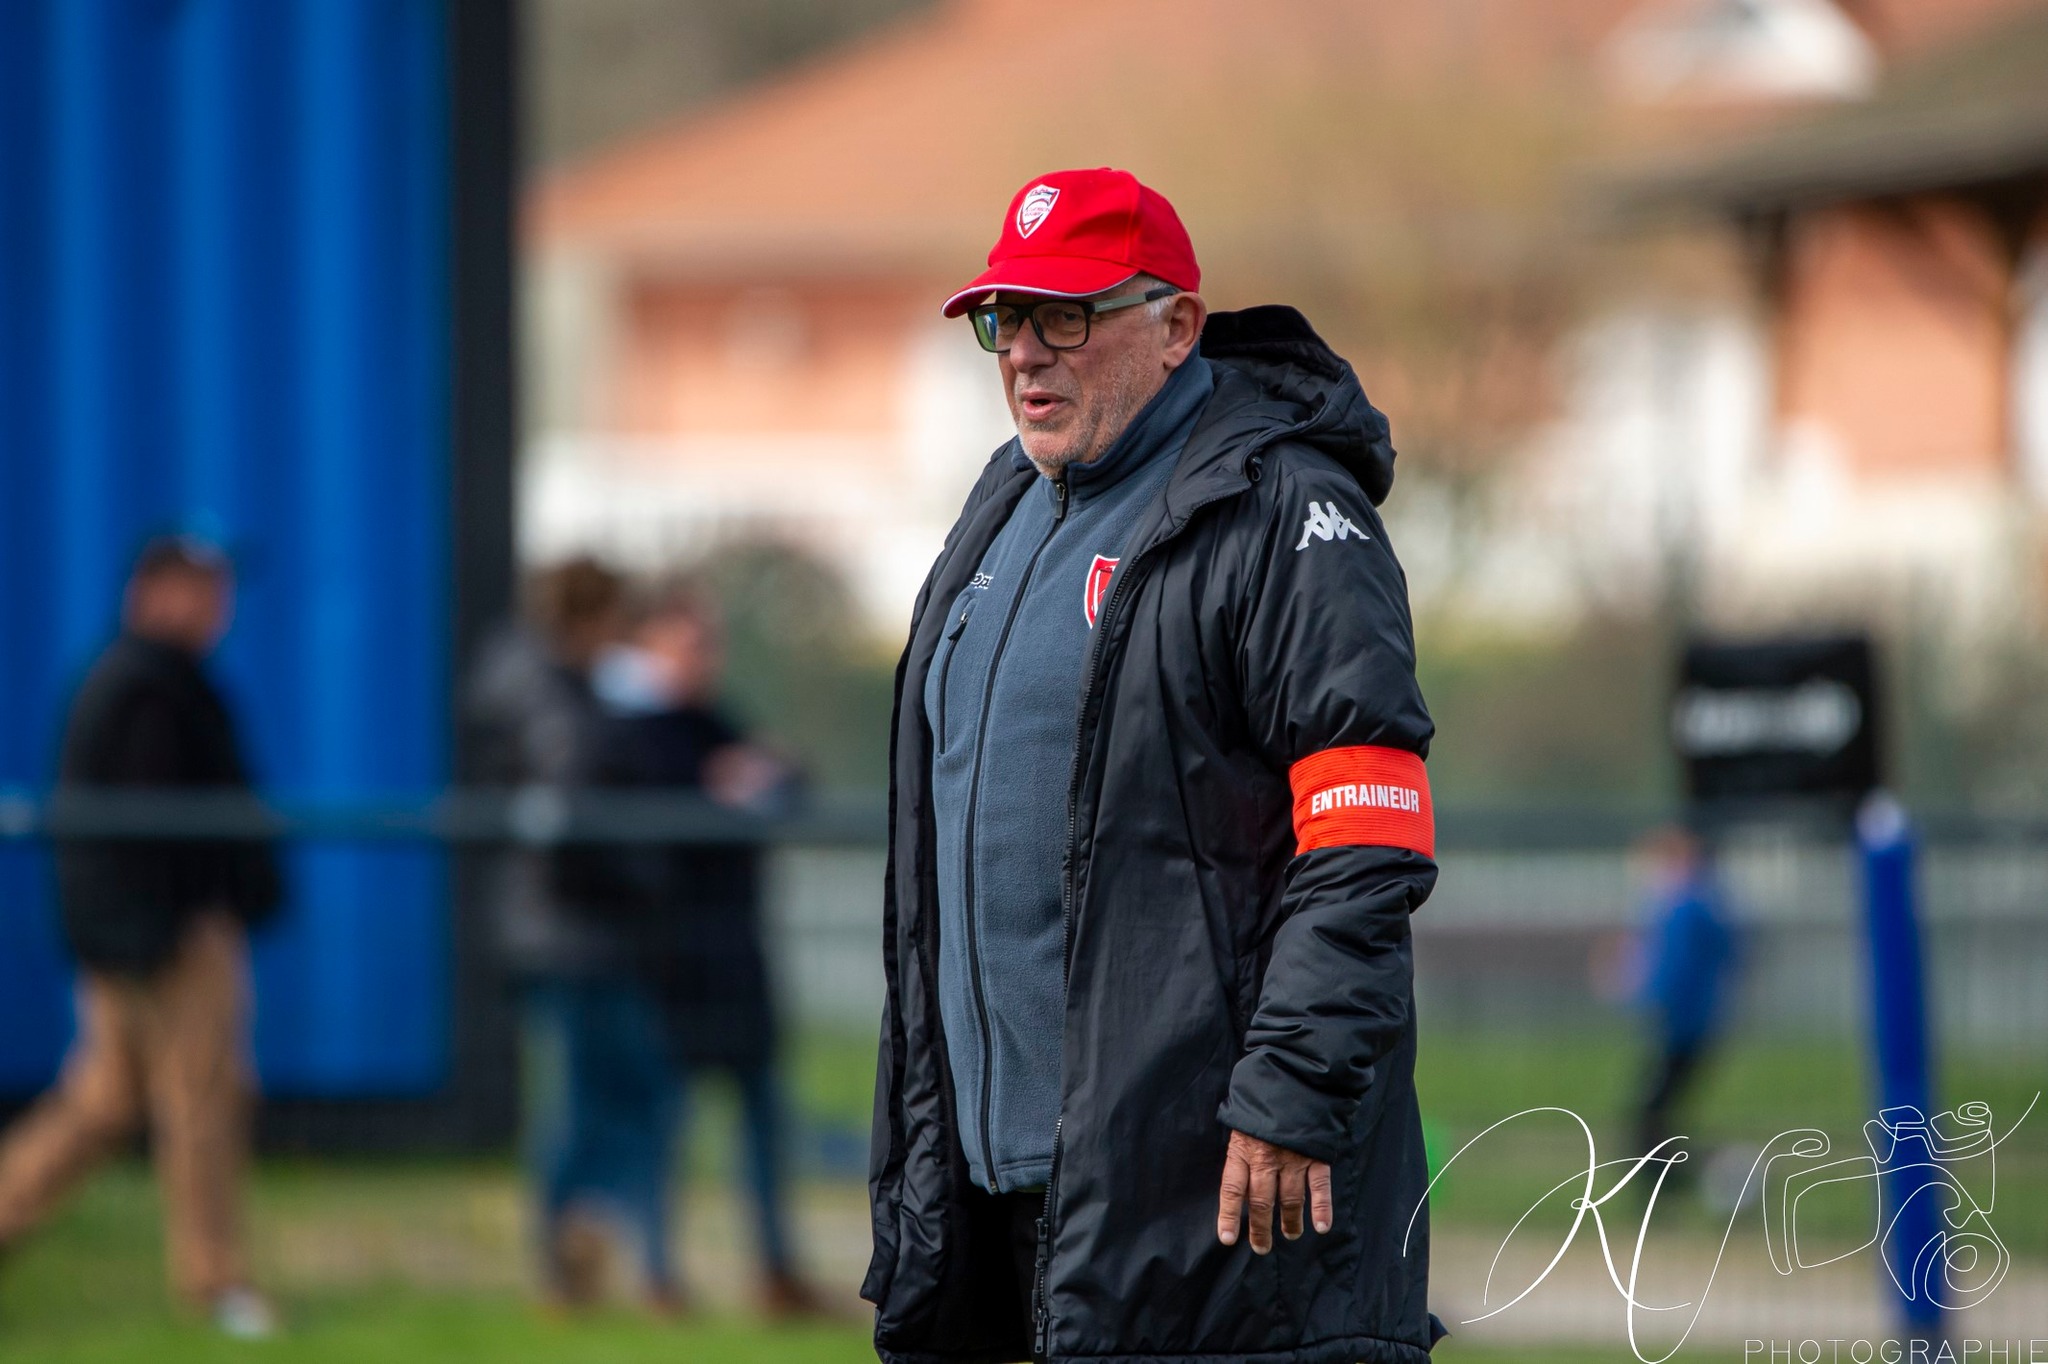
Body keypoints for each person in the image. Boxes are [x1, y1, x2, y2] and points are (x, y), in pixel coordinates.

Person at [863, 168, 1443, 1364]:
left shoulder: (1284, 512)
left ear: (1176, 324)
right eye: (1002, 320)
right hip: (995, 1200)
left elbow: (1364, 840)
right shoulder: (1003, 504)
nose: (1025, 352)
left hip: (1212, 1196)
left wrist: (1291, 1092)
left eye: (1064, 315)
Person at [0, 535, 282, 1339]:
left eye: (221, 589)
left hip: (137, 939)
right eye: (198, 588)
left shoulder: (171, 680)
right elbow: (137, 836)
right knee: (201, 1105)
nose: (215, 607)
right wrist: (162, 930)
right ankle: (216, 1282)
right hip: (162, 944)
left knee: (101, 1104)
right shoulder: (139, 687)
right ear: (151, 592)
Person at [592, 578, 827, 1317]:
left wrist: (745, 780)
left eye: (710, 642)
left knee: (762, 1113)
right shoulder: (627, 727)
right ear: (651, 643)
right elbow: (646, 821)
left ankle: (776, 1273)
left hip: (734, 954)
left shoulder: (710, 719)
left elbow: (787, 777)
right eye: (690, 641)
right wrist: (715, 791)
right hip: (666, 959)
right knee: (662, 1121)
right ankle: (658, 1275)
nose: (705, 656)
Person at [467, 556, 668, 1311]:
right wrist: (636, 879)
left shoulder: (535, 685)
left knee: (606, 1091)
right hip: (574, 931)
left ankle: (579, 1244)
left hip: (560, 927)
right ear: (593, 619)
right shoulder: (556, 699)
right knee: (596, 1096)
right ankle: (567, 1249)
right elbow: (566, 821)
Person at [1629, 826, 1740, 1171]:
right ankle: (1674, 1176)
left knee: (1652, 1110)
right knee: (1657, 1108)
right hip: (1691, 1023)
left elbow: (1673, 971)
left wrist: (1646, 993)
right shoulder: (1700, 905)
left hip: (1684, 1025)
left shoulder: (1686, 908)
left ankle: (1675, 1177)